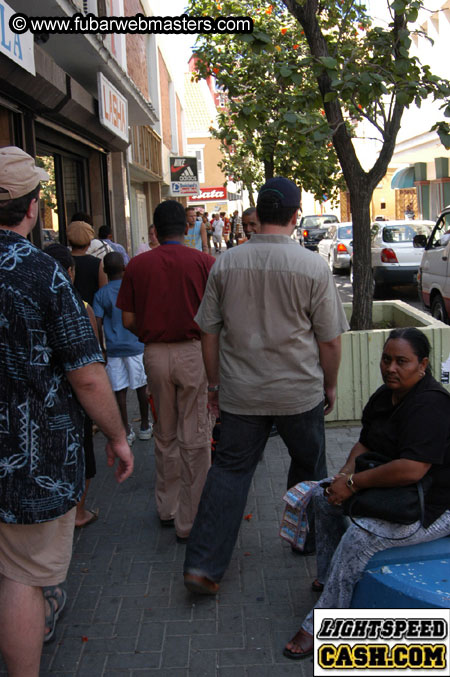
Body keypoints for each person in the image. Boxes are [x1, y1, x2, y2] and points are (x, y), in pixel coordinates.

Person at [0, 146, 134, 676]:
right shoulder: (42, 273)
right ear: (33, 207)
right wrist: (118, 437)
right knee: (23, 577)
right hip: (30, 464)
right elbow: (86, 373)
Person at [183, 176, 348, 595]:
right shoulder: (312, 265)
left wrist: (215, 387)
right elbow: (329, 339)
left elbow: (208, 333)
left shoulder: (227, 263)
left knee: (230, 473)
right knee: (310, 468)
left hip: (241, 394)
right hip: (299, 392)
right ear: (295, 216)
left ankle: (203, 566)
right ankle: (305, 539)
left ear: (257, 212)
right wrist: (330, 386)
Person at [284, 327, 450, 659]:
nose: (391, 368)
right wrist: (343, 477)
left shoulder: (431, 405)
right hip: (397, 492)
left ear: (423, 364)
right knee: (322, 497)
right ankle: (330, 575)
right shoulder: (384, 396)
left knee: (359, 538)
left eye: (402, 361)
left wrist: (355, 484)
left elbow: (412, 469)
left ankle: (321, 623)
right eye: (386, 359)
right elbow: (365, 443)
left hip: (434, 507)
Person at [117, 200, 216, 542]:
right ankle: (190, 519)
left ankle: (167, 507)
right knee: (197, 434)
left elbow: (128, 319)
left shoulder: (138, 265)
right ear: (187, 229)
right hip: (194, 352)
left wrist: (151, 332)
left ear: (155, 231)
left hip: (154, 354)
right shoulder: (205, 262)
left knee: (165, 431)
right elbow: (216, 322)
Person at [44, 243, 100, 529]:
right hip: (75, 395)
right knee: (81, 451)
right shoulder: (81, 307)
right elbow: (89, 357)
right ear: (69, 271)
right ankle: (77, 512)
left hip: (43, 396)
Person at [93, 252, 152, 445]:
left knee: (119, 390)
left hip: (114, 348)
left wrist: (101, 348)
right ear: (125, 268)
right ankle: (145, 425)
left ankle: (126, 430)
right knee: (141, 387)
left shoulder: (101, 294)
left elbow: (98, 322)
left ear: (104, 271)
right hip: (136, 345)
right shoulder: (134, 289)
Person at [67, 220, 107, 305]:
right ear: (89, 243)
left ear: (69, 241)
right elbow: (103, 294)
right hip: (92, 312)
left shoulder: (63, 262)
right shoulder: (97, 264)